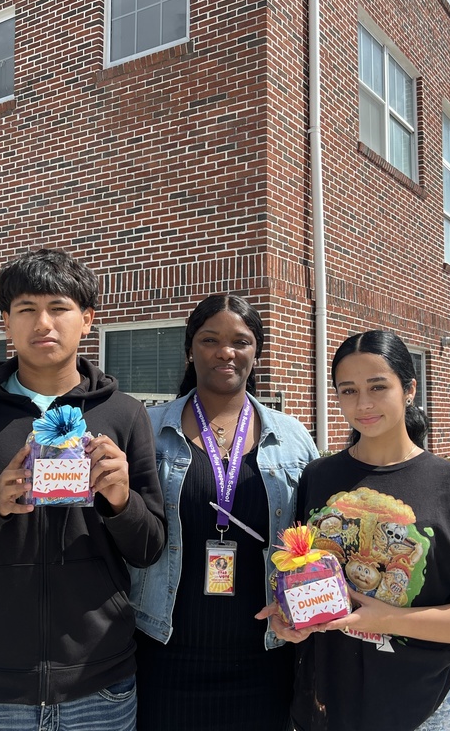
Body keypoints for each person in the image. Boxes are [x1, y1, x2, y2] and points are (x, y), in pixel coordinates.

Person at [0, 248, 166, 731]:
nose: (43, 322)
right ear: (6, 323)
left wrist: (121, 501)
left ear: (87, 320)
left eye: (59, 308)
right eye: (26, 309)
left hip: (99, 683)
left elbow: (149, 547)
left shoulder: (124, 414)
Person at [257, 330, 450, 731]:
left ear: (410, 389)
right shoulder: (318, 477)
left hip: (427, 707)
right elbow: (309, 574)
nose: (362, 403)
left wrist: (389, 619)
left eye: (378, 386)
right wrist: (292, 618)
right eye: (347, 391)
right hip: (325, 703)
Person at [130, 294, 319, 730]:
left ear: (257, 351)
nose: (225, 352)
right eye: (210, 339)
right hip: (162, 650)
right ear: (190, 349)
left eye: (241, 341)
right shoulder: (147, 429)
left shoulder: (292, 439)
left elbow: (313, 538)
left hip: (265, 656)